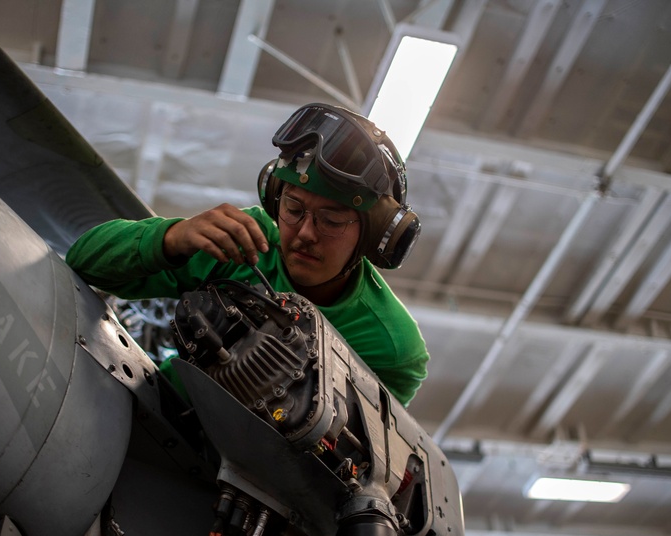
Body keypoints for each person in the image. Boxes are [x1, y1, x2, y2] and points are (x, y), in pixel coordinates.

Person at [66, 103, 428, 406]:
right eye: (293, 208)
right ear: (273, 197)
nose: (304, 233)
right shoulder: (242, 245)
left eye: (331, 221)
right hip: (159, 417)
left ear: (374, 236)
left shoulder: (392, 349)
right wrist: (173, 237)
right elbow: (84, 261)